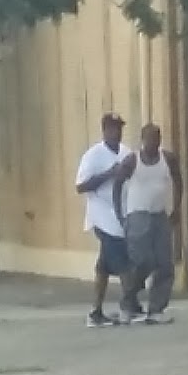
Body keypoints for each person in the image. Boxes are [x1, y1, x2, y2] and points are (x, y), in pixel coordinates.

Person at [113, 122, 183, 325]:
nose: (154, 142)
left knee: (164, 263)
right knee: (142, 261)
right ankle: (128, 304)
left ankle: (156, 309)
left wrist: (176, 207)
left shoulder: (167, 158)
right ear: (143, 140)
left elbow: (178, 181)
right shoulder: (132, 161)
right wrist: (120, 214)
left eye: (157, 138)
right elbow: (117, 184)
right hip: (137, 215)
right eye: (150, 138)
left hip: (159, 215)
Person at [75, 112, 133, 327]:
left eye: (119, 128)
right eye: (112, 128)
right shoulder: (94, 155)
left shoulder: (126, 153)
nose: (116, 132)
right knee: (122, 258)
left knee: (104, 266)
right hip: (101, 214)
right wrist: (109, 173)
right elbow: (81, 186)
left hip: (121, 213)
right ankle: (130, 305)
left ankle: (95, 312)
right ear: (104, 130)